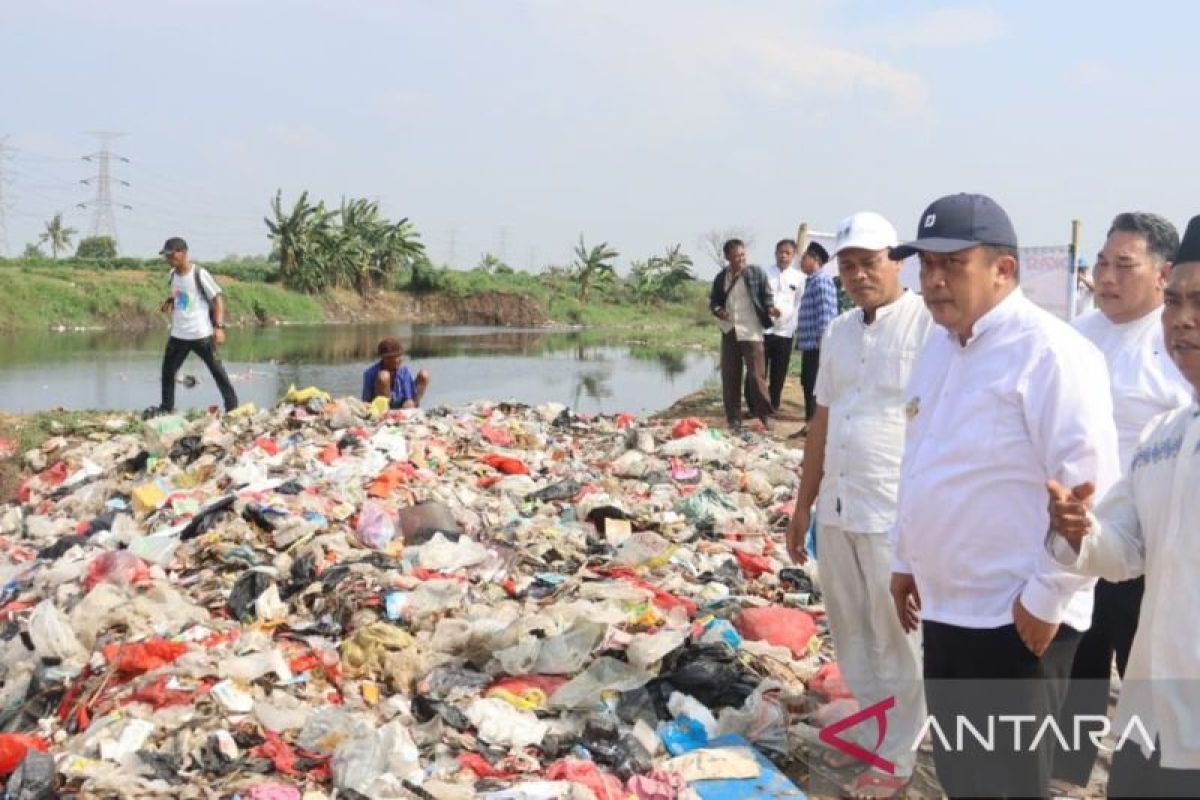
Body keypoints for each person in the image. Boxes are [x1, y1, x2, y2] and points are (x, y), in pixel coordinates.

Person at [887, 193, 1120, 798]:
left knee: (1010, 784)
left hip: (1015, 619)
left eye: (953, 264)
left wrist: (1046, 599)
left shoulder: (1053, 354)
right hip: (946, 609)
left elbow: (1088, 496)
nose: (934, 281)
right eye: (926, 265)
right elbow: (921, 460)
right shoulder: (939, 346)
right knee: (964, 778)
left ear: (1004, 270)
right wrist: (905, 560)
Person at [1045, 215, 1200, 797]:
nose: (1183, 320)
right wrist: (1078, 530)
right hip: (1151, 720)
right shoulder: (1164, 437)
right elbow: (1125, 550)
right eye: (1176, 302)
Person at [785, 212, 934, 798]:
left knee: (897, 635)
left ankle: (897, 756)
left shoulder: (926, 325)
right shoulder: (840, 331)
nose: (858, 274)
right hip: (840, 508)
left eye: (869, 262)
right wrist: (805, 504)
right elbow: (822, 418)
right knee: (850, 630)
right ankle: (876, 732)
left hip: (894, 509)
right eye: (848, 265)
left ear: (897, 261)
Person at [155, 237, 239, 414]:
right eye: (166, 256)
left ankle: (232, 408)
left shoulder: (199, 274)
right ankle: (166, 408)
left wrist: (219, 327)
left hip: (201, 334)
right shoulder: (172, 275)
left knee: (218, 372)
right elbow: (181, 295)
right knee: (168, 373)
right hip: (179, 334)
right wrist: (169, 302)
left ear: (183, 253)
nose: (168, 259)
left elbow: (217, 299)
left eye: (171, 255)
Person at [709, 238, 779, 431]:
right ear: (727, 258)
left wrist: (771, 309)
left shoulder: (756, 273)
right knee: (730, 376)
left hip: (751, 329)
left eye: (742, 255)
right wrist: (719, 311)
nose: (740, 260)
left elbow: (766, 296)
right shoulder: (721, 277)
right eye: (735, 257)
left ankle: (765, 415)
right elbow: (714, 302)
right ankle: (734, 419)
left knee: (757, 376)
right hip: (729, 329)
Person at [758, 238, 805, 412]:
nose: (783, 256)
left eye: (788, 253)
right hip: (764, 329)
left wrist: (791, 324)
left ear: (793, 256)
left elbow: (799, 304)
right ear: (775, 253)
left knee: (779, 371)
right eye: (781, 252)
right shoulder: (764, 273)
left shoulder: (800, 278)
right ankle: (756, 404)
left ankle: (773, 405)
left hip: (785, 332)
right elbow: (757, 298)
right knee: (759, 370)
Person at [795, 241, 835, 422]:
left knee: (814, 384)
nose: (801, 262)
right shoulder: (811, 281)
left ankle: (813, 423)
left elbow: (825, 313)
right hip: (810, 343)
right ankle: (810, 421)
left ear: (815, 260)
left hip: (817, 344)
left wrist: (823, 341)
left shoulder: (821, 281)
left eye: (804, 258)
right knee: (808, 382)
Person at [362, 336, 430, 408]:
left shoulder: (403, 371)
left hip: (400, 403)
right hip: (380, 406)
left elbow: (408, 396)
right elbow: (366, 400)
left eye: (400, 356)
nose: (400, 360)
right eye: (396, 357)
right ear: (385, 359)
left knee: (424, 374)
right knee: (383, 376)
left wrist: (410, 403)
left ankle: (415, 408)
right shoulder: (370, 374)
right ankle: (385, 409)